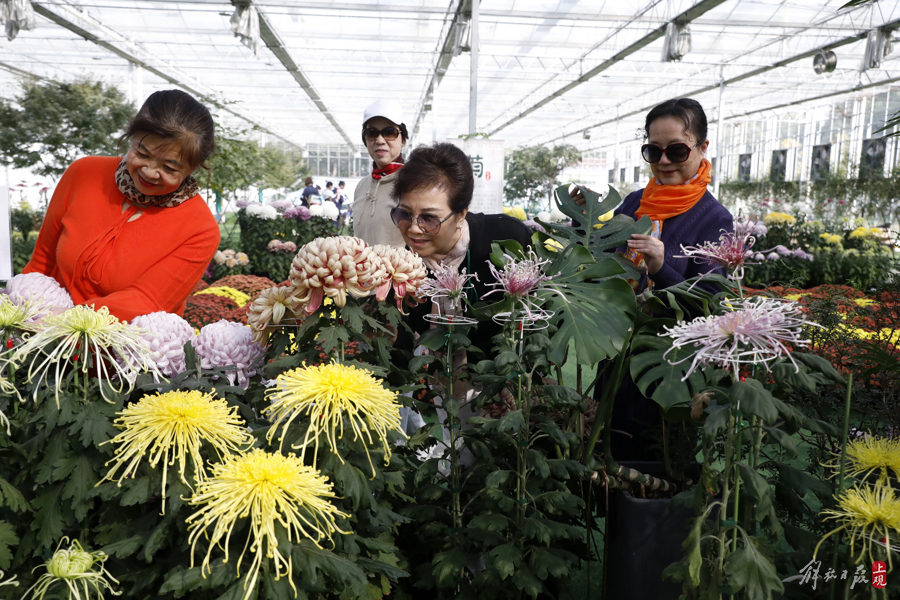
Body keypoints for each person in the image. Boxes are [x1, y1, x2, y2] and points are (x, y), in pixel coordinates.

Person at [581, 97, 733, 461]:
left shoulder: (714, 219)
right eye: (653, 150)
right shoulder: (635, 203)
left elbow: (707, 304)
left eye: (677, 150)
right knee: (606, 464)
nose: (664, 161)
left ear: (701, 148)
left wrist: (662, 268)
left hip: (670, 370)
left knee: (658, 476)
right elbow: (606, 266)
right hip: (618, 363)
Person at [23, 89, 220, 322]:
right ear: (131, 136)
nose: (148, 171)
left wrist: (66, 321)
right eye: (141, 152)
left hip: (127, 352)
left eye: (169, 168)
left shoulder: (201, 230)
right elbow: (41, 264)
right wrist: (19, 314)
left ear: (192, 168)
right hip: (44, 336)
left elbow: (148, 301)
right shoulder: (84, 174)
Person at [391, 142, 533, 354]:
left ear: (461, 214)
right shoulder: (408, 265)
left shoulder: (506, 240)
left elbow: (544, 317)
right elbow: (402, 340)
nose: (414, 229)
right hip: (439, 384)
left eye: (429, 218)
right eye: (404, 214)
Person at [353, 99, 408, 248]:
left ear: (403, 139)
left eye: (390, 132)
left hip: (398, 271)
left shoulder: (412, 183)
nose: (380, 140)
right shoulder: (362, 186)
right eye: (372, 133)